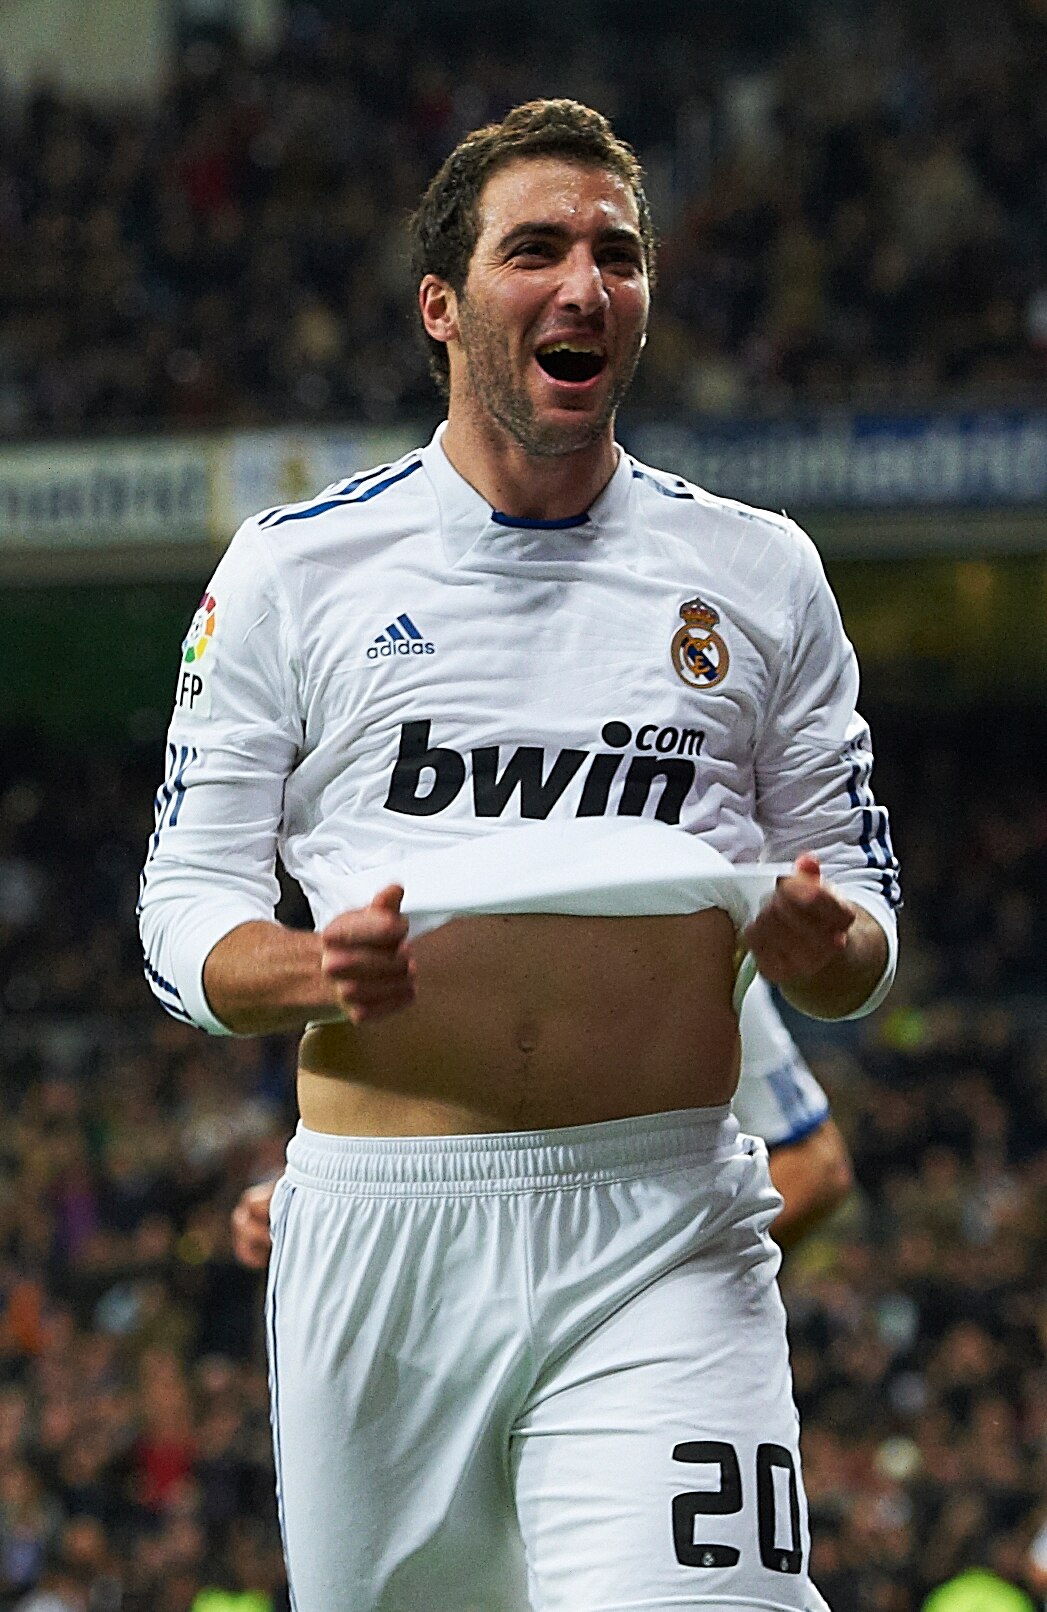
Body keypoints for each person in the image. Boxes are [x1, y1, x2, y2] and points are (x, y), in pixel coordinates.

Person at [139, 99, 899, 1612]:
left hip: (663, 1222)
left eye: (615, 254)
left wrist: (834, 953)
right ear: (441, 304)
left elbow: (858, 912)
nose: (583, 285)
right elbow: (184, 897)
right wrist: (298, 965)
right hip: (382, 1240)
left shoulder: (757, 574)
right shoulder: (295, 571)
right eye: (534, 249)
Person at [229, 976, 854, 1268]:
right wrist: (308, 1207)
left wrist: (649, 1285)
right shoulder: (406, 912)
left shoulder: (674, 938)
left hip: (621, 1373)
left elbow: (815, 1165)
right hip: (436, 1345)